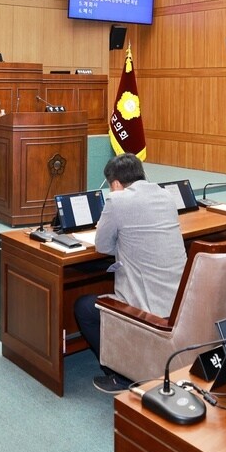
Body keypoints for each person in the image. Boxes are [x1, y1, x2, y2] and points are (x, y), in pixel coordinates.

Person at [73, 154, 186, 393]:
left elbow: (102, 246)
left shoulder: (117, 201)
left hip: (149, 306)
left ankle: (122, 374)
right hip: (180, 298)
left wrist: (124, 247)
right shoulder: (166, 195)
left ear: (115, 184)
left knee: (83, 306)